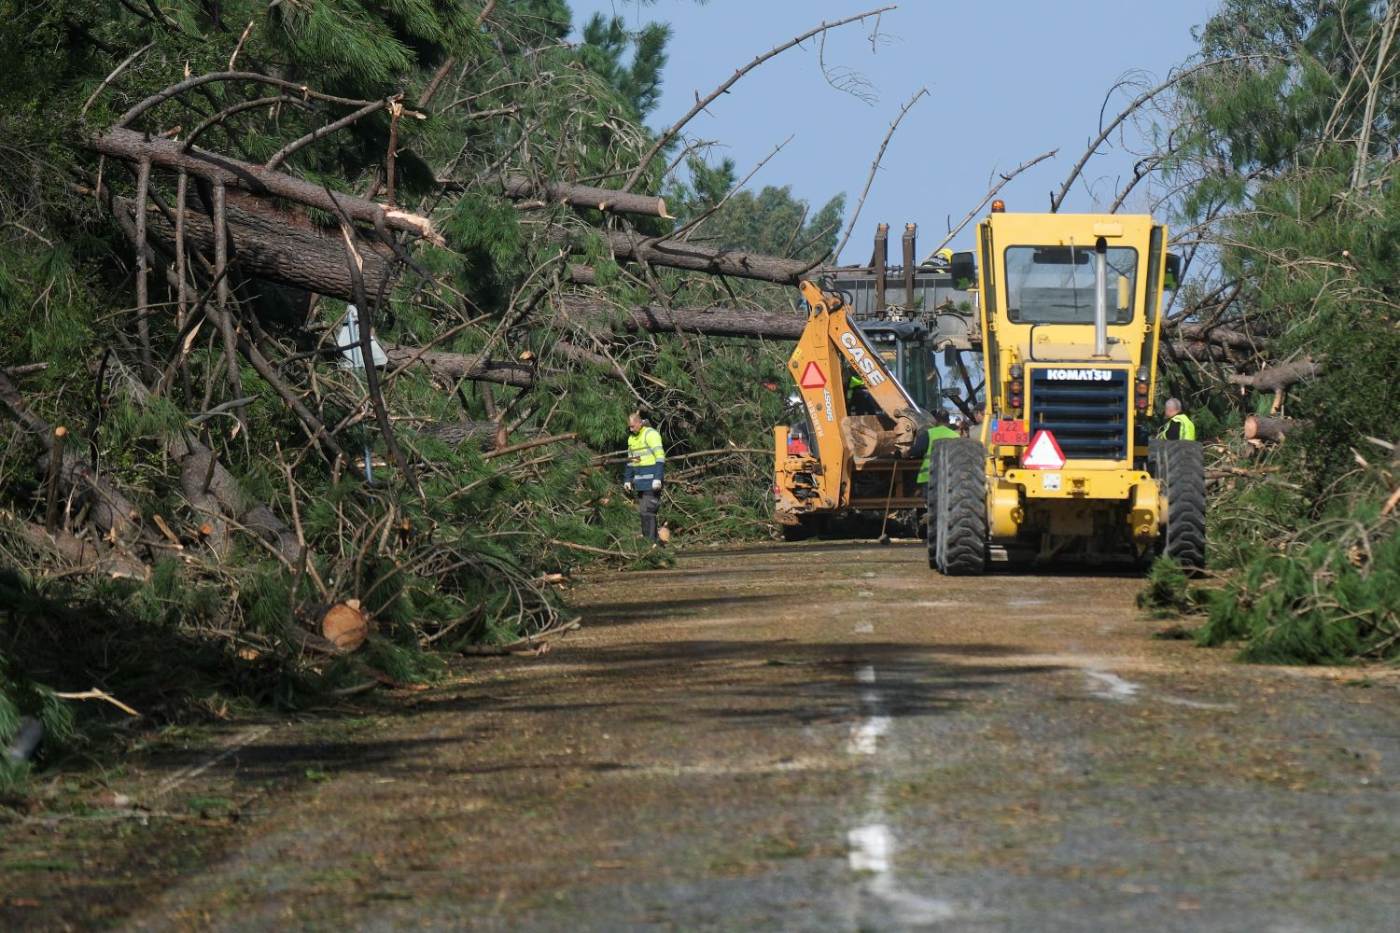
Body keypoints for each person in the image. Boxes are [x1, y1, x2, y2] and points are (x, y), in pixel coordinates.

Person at [624, 411, 666, 543]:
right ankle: (649, 544)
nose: (630, 429)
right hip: (640, 483)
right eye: (629, 427)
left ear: (639, 422)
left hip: (652, 481)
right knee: (643, 513)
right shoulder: (631, 439)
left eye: (632, 426)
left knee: (648, 512)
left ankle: (652, 544)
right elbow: (632, 461)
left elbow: (660, 457)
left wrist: (658, 478)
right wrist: (627, 479)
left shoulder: (651, 434)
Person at [912, 409, 960, 490]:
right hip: (950, 476)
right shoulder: (956, 436)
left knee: (931, 502)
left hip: (929, 476)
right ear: (948, 421)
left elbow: (915, 451)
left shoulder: (929, 433)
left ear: (936, 421)